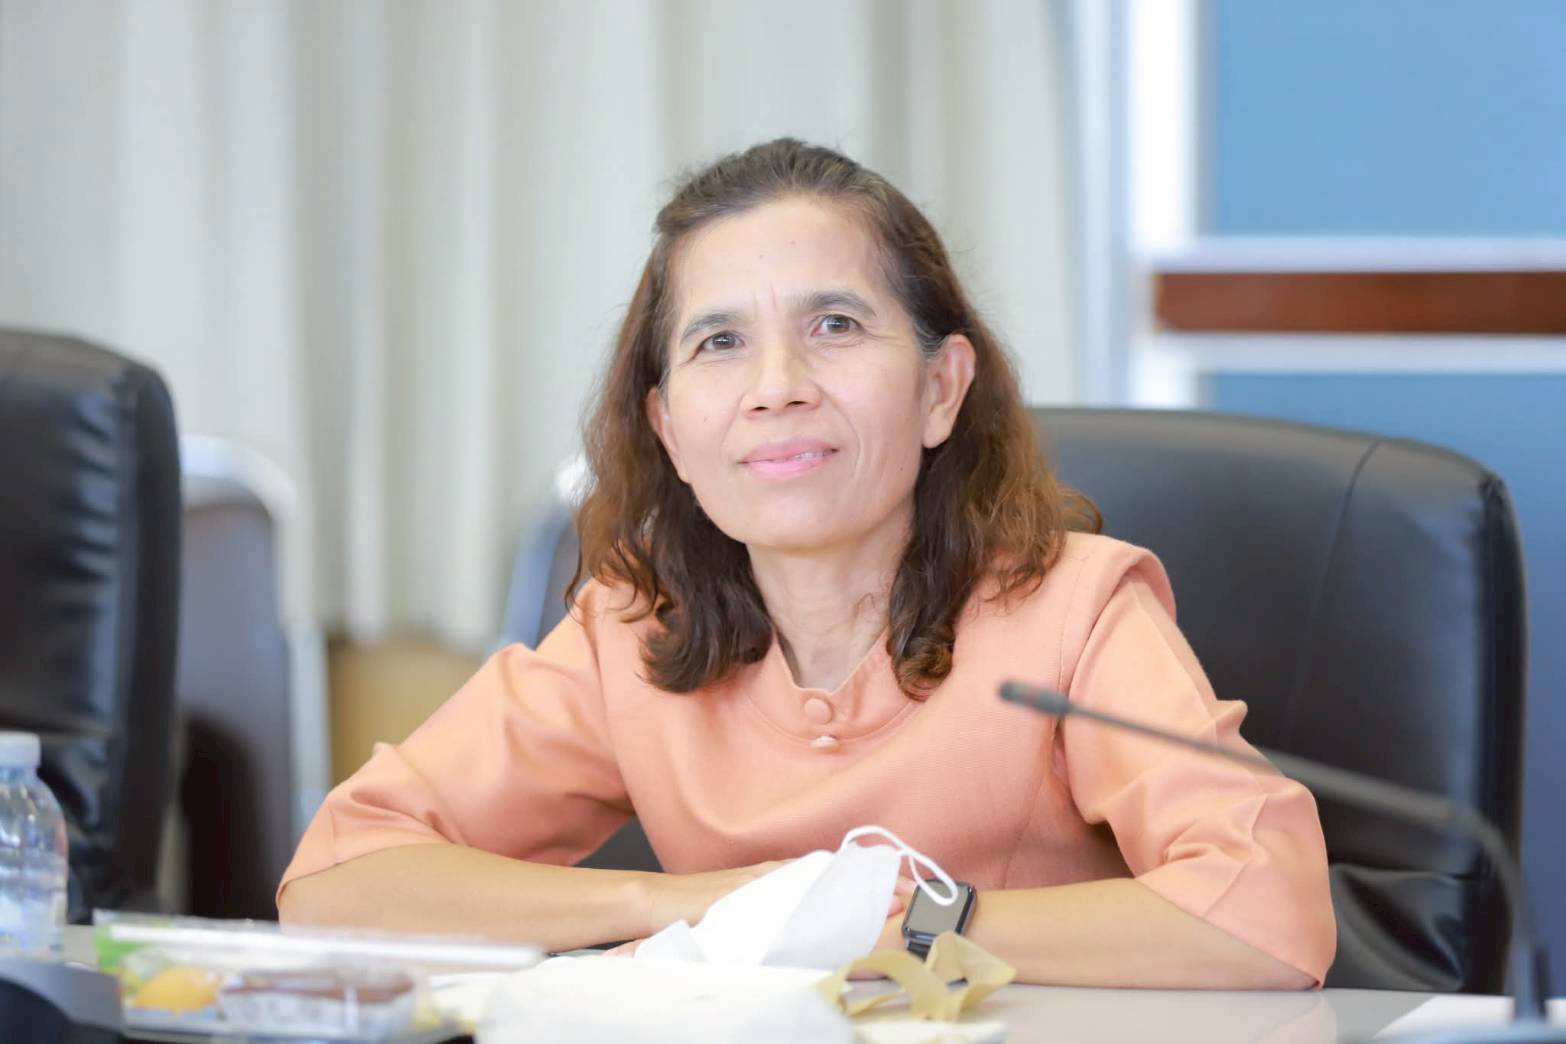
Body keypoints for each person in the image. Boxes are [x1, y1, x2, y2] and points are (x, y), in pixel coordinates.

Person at [278, 138, 1335, 988]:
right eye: (719, 343)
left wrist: (900, 926)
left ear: (939, 390)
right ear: (670, 429)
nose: (775, 385)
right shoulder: (632, 628)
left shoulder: (1074, 609)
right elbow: (336, 878)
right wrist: (684, 905)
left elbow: (1270, 912)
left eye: (834, 324)